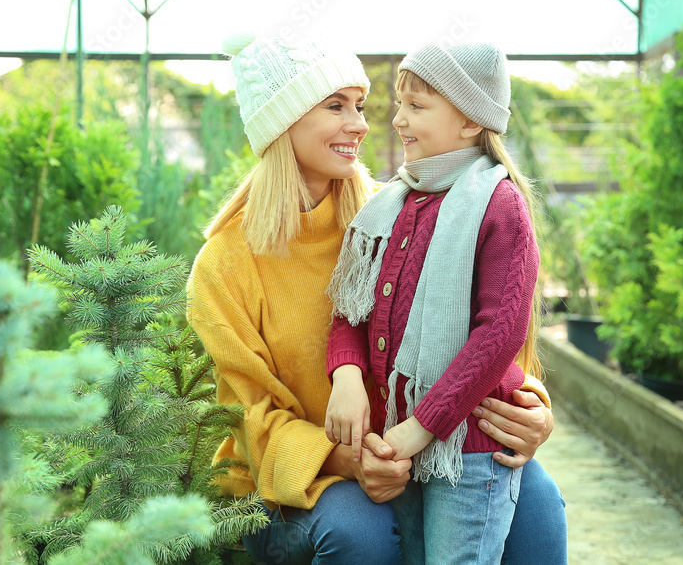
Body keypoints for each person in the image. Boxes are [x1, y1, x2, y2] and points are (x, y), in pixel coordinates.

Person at [186, 31, 567, 564]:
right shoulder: (226, 264)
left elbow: (479, 329)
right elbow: (249, 420)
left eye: (361, 106)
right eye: (336, 106)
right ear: (284, 122)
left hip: (413, 447)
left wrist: (531, 411)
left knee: (540, 503)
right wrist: (346, 459)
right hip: (299, 485)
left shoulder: (388, 213)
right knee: (360, 530)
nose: (363, 125)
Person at [324, 41, 540, 564]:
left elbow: (500, 333)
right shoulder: (392, 204)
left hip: (468, 453)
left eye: (417, 106)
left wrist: (421, 426)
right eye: (400, 104)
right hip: (404, 446)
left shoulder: (498, 202)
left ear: (470, 121)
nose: (397, 119)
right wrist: (347, 375)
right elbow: (351, 307)